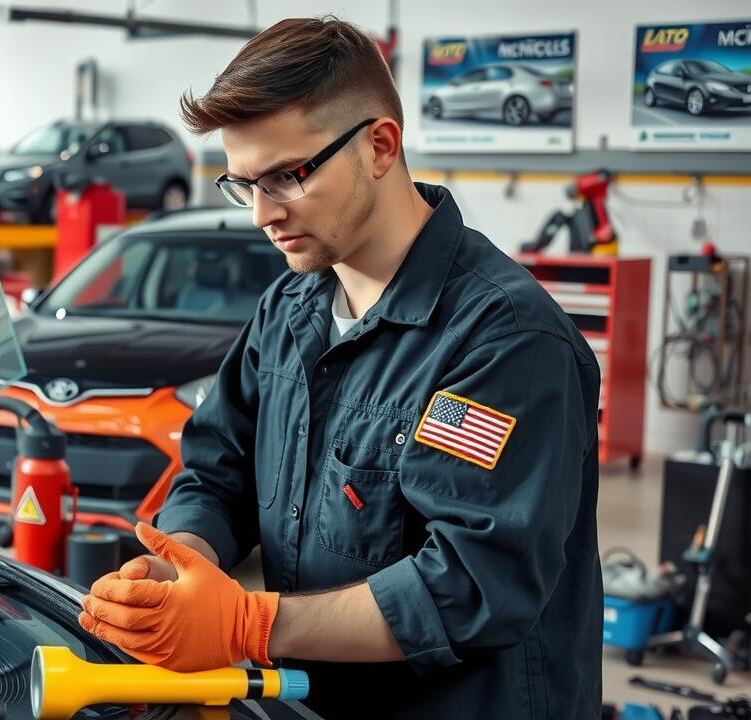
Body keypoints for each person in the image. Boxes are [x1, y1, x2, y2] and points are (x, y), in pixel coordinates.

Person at [78, 16, 602, 720]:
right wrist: (184, 566)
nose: (262, 213)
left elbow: (472, 584)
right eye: (243, 185)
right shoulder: (289, 309)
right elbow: (218, 469)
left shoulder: (503, 340)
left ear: (380, 145)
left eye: (287, 177)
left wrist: (247, 625)